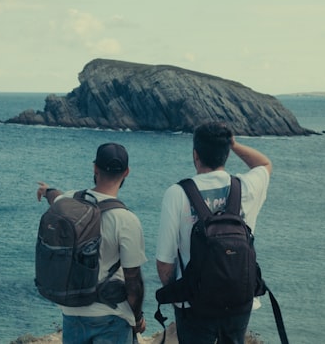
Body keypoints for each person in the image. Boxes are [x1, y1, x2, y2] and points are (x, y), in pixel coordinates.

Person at [155, 122, 273, 344]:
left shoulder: (177, 193)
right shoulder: (246, 186)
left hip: (194, 304)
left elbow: (164, 264)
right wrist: (233, 144)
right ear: (226, 153)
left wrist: (177, 295)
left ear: (195, 155)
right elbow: (264, 164)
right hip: (239, 300)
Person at [37, 142, 148, 344]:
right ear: (127, 172)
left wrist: (47, 190)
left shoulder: (69, 201)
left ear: (95, 167)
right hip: (111, 317)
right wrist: (138, 317)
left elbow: (56, 197)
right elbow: (133, 281)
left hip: (72, 312)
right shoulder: (126, 220)